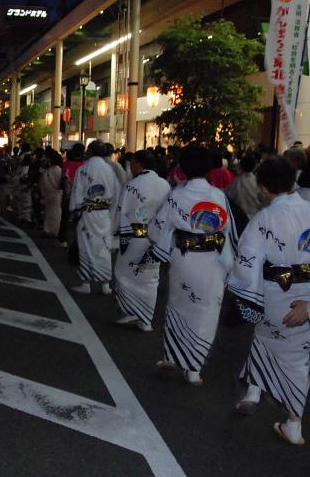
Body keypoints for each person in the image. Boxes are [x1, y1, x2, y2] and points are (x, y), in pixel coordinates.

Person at [228, 157, 310, 445]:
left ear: (263, 187)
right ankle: (253, 391)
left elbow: (247, 261)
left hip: (276, 296)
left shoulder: (264, 219)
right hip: (306, 298)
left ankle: (294, 424)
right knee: (269, 344)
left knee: (292, 358)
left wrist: (248, 300)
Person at [149, 144, 237, 386]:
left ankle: (172, 356)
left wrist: (163, 242)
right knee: (206, 312)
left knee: (179, 305)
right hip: (212, 261)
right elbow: (229, 232)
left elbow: (159, 226)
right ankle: (193, 369)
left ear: (183, 167)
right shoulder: (218, 195)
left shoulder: (177, 194)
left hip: (184, 258)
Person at [113, 150, 170, 331]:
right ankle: (145, 319)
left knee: (124, 273)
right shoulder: (165, 185)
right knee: (150, 278)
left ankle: (133, 311)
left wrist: (117, 233)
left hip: (134, 237)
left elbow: (122, 212)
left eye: (132, 163)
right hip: (155, 239)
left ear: (139, 164)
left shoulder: (132, 185)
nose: (130, 166)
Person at [68, 141, 120, 295]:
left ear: (90, 151)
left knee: (86, 247)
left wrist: (74, 210)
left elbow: (77, 191)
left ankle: (86, 283)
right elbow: (117, 193)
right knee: (104, 248)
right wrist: (112, 212)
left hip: (88, 213)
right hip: (104, 214)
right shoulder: (110, 170)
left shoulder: (84, 169)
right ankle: (105, 284)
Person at [226, 154, 262, 219]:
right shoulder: (257, 181)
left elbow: (229, 196)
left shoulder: (237, 181)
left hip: (240, 216)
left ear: (241, 166)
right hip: (256, 215)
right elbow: (261, 197)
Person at [41, 148, 63, 237]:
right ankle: (55, 230)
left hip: (48, 193)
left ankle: (46, 229)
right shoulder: (60, 170)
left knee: (48, 212)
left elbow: (41, 183)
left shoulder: (47, 170)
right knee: (56, 213)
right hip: (57, 194)